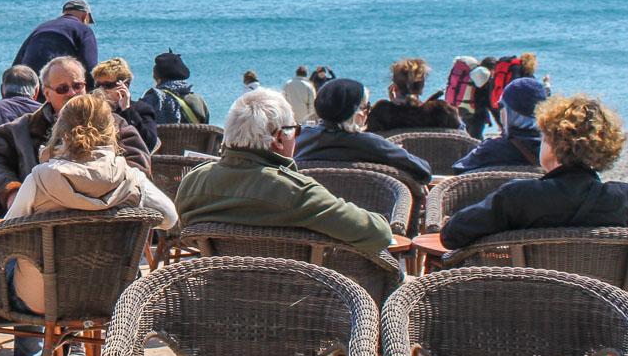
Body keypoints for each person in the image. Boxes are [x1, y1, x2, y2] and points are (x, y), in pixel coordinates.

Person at [0, 94, 178, 356]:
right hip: (111, 296)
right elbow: (170, 218)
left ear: (62, 131)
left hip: (43, 298)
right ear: (111, 131)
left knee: (24, 265)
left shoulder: (42, 178)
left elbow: (6, 232)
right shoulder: (131, 178)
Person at [442, 95, 628, 249]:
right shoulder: (625, 199)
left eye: (544, 138)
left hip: (522, 307)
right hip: (607, 314)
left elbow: (452, 235)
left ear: (555, 146)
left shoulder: (519, 197)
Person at [175, 89, 393, 254]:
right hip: (303, 307)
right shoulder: (295, 193)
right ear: (280, 138)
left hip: (215, 301)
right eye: (295, 130)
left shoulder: (192, 182)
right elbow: (378, 234)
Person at [0, 56, 150, 215]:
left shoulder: (114, 124)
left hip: (105, 218)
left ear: (86, 87)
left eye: (77, 86)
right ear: (46, 93)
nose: (72, 93)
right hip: (40, 222)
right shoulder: (20, 130)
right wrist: (12, 191)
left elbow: (138, 162)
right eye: (62, 88)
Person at [293, 79, 433, 187]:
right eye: (367, 107)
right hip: (374, 215)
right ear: (357, 113)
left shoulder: (300, 138)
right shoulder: (372, 144)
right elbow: (424, 170)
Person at [453, 76, 546, 173]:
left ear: (509, 112)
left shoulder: (491, 150)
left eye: (501, 105)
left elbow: (458, 170)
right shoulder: (555, 151)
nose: (499, 110)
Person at [12, 0, 98, 91]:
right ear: (85, 16)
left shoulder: (41, 27)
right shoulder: (83, 29)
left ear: (64, 13)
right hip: (57, 88)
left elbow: (16, 65)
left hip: (29, 85)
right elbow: (90, 68)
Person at [366, 58, 461, 134]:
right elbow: (461, 134)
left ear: (394, 86)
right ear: (422, 86)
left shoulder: (382, 113)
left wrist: (392, 104)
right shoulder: (442, 112)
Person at [91, 57, 158, 152]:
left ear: (124, 86)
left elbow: (149, 144)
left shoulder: (142, 109)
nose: (101, 90)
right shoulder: (93, 110)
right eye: (98, 86)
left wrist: (126, 110)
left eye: (107, 85)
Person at [140, 51, 210, 126]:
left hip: (161, 137)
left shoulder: (152, 98)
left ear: (156, 76)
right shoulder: (199, 101)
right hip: (195, 137)